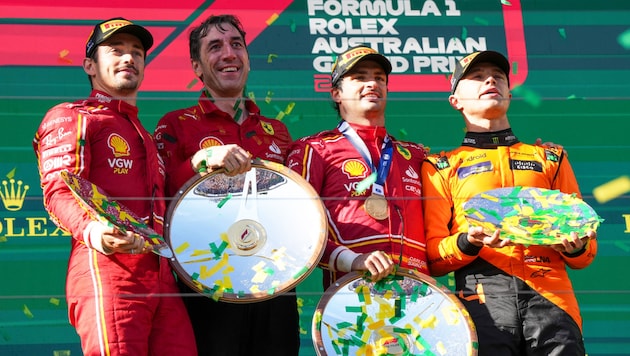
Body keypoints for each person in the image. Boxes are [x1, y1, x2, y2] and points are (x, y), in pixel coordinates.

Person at [32, 18, 197, 355]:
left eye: (137, 52)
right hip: (109, 267)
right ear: (89, 65)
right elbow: (59, 191)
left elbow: (168, 195)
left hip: (163, 278)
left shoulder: (145, 136)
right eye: (116, 50)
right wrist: (95, 233)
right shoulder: (73, 116)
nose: (128, 58)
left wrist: (200, 163)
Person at [420, 50, 598, 355]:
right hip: (482, 297)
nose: (490, 80)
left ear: (509, 94)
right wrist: (468, 241)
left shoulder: (550, 158)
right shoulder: (440, 166)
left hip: (553, 298)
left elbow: (585, 254)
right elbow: (434, 258)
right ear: (455, 100)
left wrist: (577, 245)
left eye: (498, 76)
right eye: (476, 77)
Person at [154, 15, 298, 355]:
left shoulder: (276, 130)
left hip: (274, 282)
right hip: (207, 282)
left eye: (236, 44)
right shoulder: (176, 123)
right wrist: (197, 164)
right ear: (197, 68)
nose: (229, 53)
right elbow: (156, 199)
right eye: (214, 47)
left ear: (247, 59)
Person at [286, 45, 429, 289]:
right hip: (352, 295)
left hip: (420, 295)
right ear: (336, 94)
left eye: (379, 78)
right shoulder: (314, 149)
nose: (372, 84)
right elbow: (294, 228)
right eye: (360, 78)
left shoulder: (415, 155)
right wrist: (353, 260)